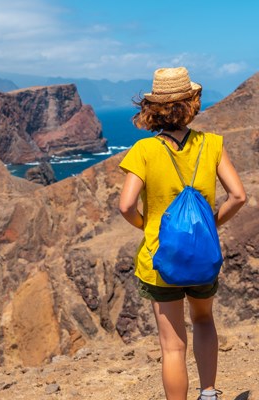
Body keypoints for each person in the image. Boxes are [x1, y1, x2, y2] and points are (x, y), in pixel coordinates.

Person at [118, 67, 246, 400]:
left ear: (152, 109)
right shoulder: (212, 144)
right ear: (192, 104)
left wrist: (146, 225)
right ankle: (208, 393)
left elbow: (126, 205)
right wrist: (210, 225)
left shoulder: (143, 152)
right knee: (204, 321)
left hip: (161, 260)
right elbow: (239, 196)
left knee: (172, 345)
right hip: (203, 255)